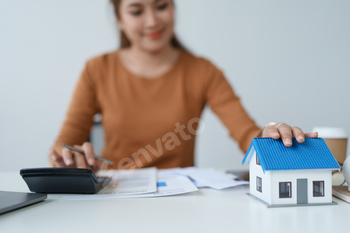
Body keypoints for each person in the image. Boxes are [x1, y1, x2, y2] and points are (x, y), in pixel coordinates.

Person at [49, 0, 317, 171]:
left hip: (181, 201)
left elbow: (245, 133)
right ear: (119, 18)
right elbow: (67, 140)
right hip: (114, 195)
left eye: (162, 6)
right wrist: (68, 156)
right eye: (136, 10)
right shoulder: (97, 69)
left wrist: (271, 136)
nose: (153, 20)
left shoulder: (202, 71)